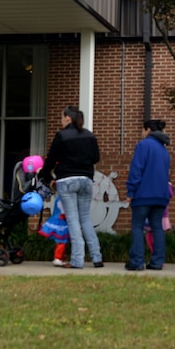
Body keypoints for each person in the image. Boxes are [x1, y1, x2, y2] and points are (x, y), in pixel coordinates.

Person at [42, 106, 103, 270]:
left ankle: (77, 259)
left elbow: (51, 159)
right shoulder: (90, 136)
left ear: (68, 118)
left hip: (67, 179)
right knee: (85, 218)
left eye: (62, 117)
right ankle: (97, 257)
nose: (61, 121)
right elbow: (96, 158)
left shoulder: (62, 136)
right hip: (86, 179)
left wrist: (45, 175)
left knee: (73, 219)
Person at [125, 119, 172, 271]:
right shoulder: (164, 150)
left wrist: (130, 192)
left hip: (143, 195)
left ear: (147, 130)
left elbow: (136, 170)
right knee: (157, 227)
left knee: (138, 226)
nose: (141, 133)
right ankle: (157, 261)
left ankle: (137, 261)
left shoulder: (143, 145)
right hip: (161, 196)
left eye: (142, 130)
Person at [38, 199, 70, 266]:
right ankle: (57, 258)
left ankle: (61, 257)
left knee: (62, 241)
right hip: (61, 221)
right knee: (62, 241)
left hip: (59, 220)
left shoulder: (59, 197)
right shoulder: (62, 198)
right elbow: (63, 210)